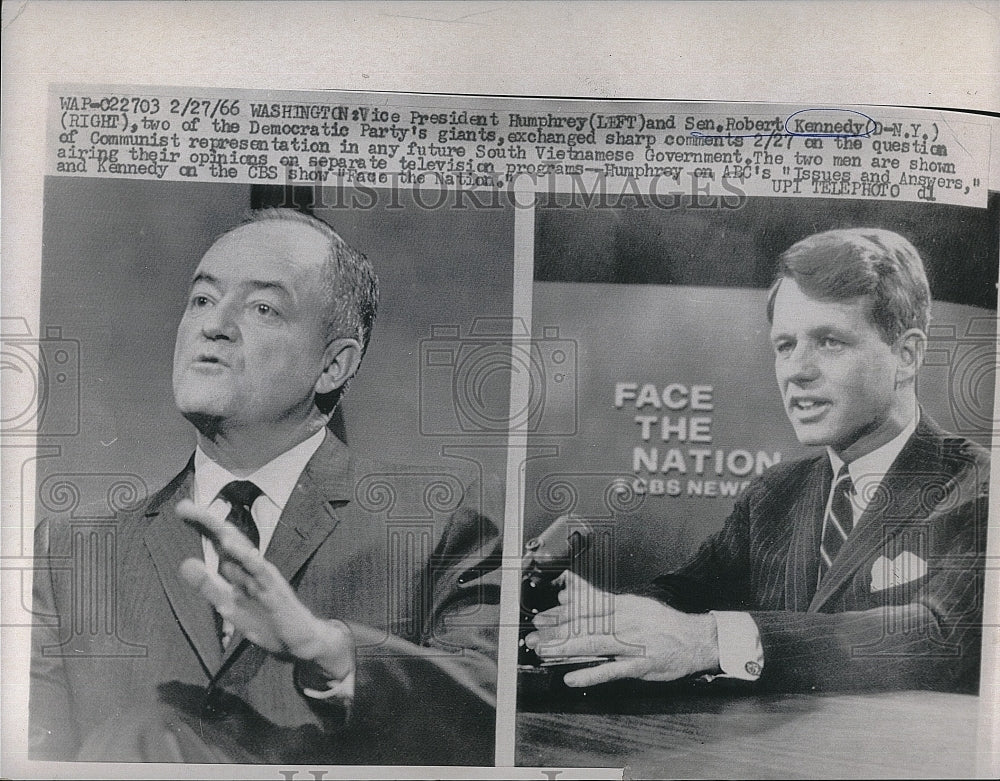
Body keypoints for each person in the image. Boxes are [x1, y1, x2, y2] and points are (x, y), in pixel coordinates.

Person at [30, 209, 501, 764]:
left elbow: (492, 718)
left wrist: (331, 652)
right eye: (202, 300)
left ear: (333, 366)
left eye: (262, 308)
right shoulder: (71, 548)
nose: (214, 324)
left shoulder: (438, 533)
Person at [526, 228, 989, 694]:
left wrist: (709, 639)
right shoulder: (774, 494)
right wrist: (601, 615)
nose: (796, 370)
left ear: (907, 356)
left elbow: (942, 635)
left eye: (829, 341)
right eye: (785, 345)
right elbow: (684, 594)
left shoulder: (980, 486)